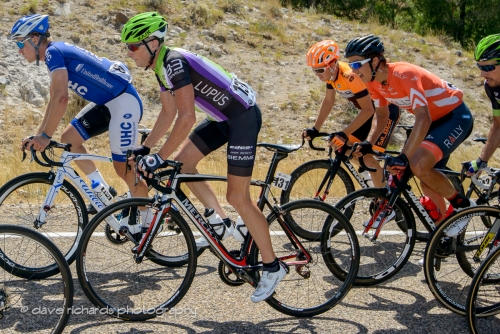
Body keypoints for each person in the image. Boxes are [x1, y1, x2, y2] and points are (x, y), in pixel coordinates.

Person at [121, 12, 287, 303]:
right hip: (222, 118)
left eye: (133, 46)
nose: (129, 53)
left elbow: (186, 118)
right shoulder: (161, 65)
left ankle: (273, 267)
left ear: (152, 42)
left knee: (239, 197)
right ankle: (220, 224)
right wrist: (145, 148)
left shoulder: (173, 62)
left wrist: (158, 157)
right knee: (183, 165)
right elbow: (168, 112)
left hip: (241, 118)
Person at [10, 14, 149, 216]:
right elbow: (53, 101)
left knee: (125, 171)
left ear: (34, 38)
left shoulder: (53, 53)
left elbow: (61, 98)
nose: (19, 50)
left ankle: (149, 221)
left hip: (123, 104)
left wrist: (46, 137)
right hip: (107, 103)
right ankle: (103, 192)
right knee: (69, 139)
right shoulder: (54, 53)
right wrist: (39, 135)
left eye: (20, 44)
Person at [344, 34, 475, 246]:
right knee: (424, 176)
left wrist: (404, 156)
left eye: (357, 64)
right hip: (432, 121)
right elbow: (382, 116)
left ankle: (463, 205)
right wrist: (369, 143)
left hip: (454, 116)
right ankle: (443, 229)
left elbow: (423, 117)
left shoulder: (405, 74)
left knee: (416, 164)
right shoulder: (374, 83)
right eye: (350, 65)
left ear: (375, 61)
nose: (353, 70)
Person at [303, 40, 400, 190]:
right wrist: (315, 128)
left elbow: (368, 110)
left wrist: (343, 133)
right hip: (368, 114)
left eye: (320, 70)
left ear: (332, 64)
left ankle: (386, 204)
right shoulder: (332, 75)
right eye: (314, 70)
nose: (317, 75)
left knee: (368, 157)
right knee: (344, 148)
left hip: (384, 112)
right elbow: (329, 101)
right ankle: (376, 182)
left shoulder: (349, 76)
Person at [465, 34, 500, 177]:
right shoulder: (493, 87)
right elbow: (498, 124)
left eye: (488, 67)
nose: (482, 74)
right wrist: (482, 160)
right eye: (480, 67)